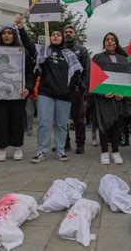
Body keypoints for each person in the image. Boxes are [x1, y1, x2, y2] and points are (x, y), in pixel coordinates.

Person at [0, 21, 35, 162]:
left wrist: (28, 87)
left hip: (18, 93)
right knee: (0, 120)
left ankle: (17, 147)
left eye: (9, 33)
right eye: (4, 33)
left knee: (16, 120)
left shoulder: (23, 52)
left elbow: (30, 73)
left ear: (14, 35)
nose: (7, 35)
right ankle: (1, 148)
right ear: (0, 36)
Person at [29, 24, 83, 163]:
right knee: (45, 123)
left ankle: (61, 150)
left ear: (63, 38)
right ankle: (41, 151)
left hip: (64, 95)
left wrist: (70, 89)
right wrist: (21, 29)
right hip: (45, 93)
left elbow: (77, 73)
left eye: (58, 35)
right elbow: (28, 45)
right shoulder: (44, 53)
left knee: (61, 124)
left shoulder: (69, 55)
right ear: (50, 38)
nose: (55, 36)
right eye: (53, 35)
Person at [92, 32, 131, 165]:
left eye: (112, 39)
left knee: (116, 125)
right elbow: (93, 78)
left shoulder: (123, 59)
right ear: (104, 43)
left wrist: (124, 94)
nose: (109, 41)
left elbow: (128, 79)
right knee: (103, 125)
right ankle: (104, 152)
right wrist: (102, 93)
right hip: (103, 98)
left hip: (118, 98)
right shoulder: (97, 58)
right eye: (107, 39)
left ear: (116, 43)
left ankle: (115, 152)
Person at [64, 25, 90, 154]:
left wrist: (82, 87)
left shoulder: (82, 50)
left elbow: (87, 70)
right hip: (62, 90)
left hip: (76, 90)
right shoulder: (60, 49)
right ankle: (65, 143)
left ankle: (80, 144)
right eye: (66, 32)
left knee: (78, 118)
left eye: (71, 32)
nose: (68, 34)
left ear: (75, 34)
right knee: (62, 118)